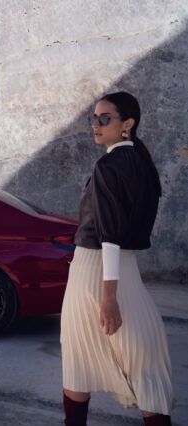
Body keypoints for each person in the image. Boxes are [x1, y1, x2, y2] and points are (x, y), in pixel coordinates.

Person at [60, 91, 173, 426]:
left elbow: (109, 236)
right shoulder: (143, 165)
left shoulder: (108, 165)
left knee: (80, 359)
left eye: (104, 118)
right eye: (93, 118)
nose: (95, 124)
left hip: (95, 271)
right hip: (127, 269)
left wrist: (108, 298)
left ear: (128, 124)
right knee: (145, 364)